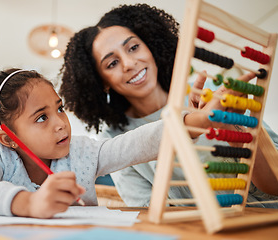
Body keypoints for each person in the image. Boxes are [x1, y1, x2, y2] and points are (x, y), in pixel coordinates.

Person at [59, 4, 278, 207]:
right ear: (102, 82)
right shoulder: (114, 139)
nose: (129, 63)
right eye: (112, 63)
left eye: (133, 48)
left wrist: (234, 130)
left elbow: (275, 185)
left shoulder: (213, 91)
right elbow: (147, 211)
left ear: (151, 47)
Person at [0, 68, 170, 218]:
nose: (61, 123)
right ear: (9, 138)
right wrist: (29, 203)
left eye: (59, 109)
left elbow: (131, 145)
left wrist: (181, 125)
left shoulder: (82, 151)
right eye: (41, 118)